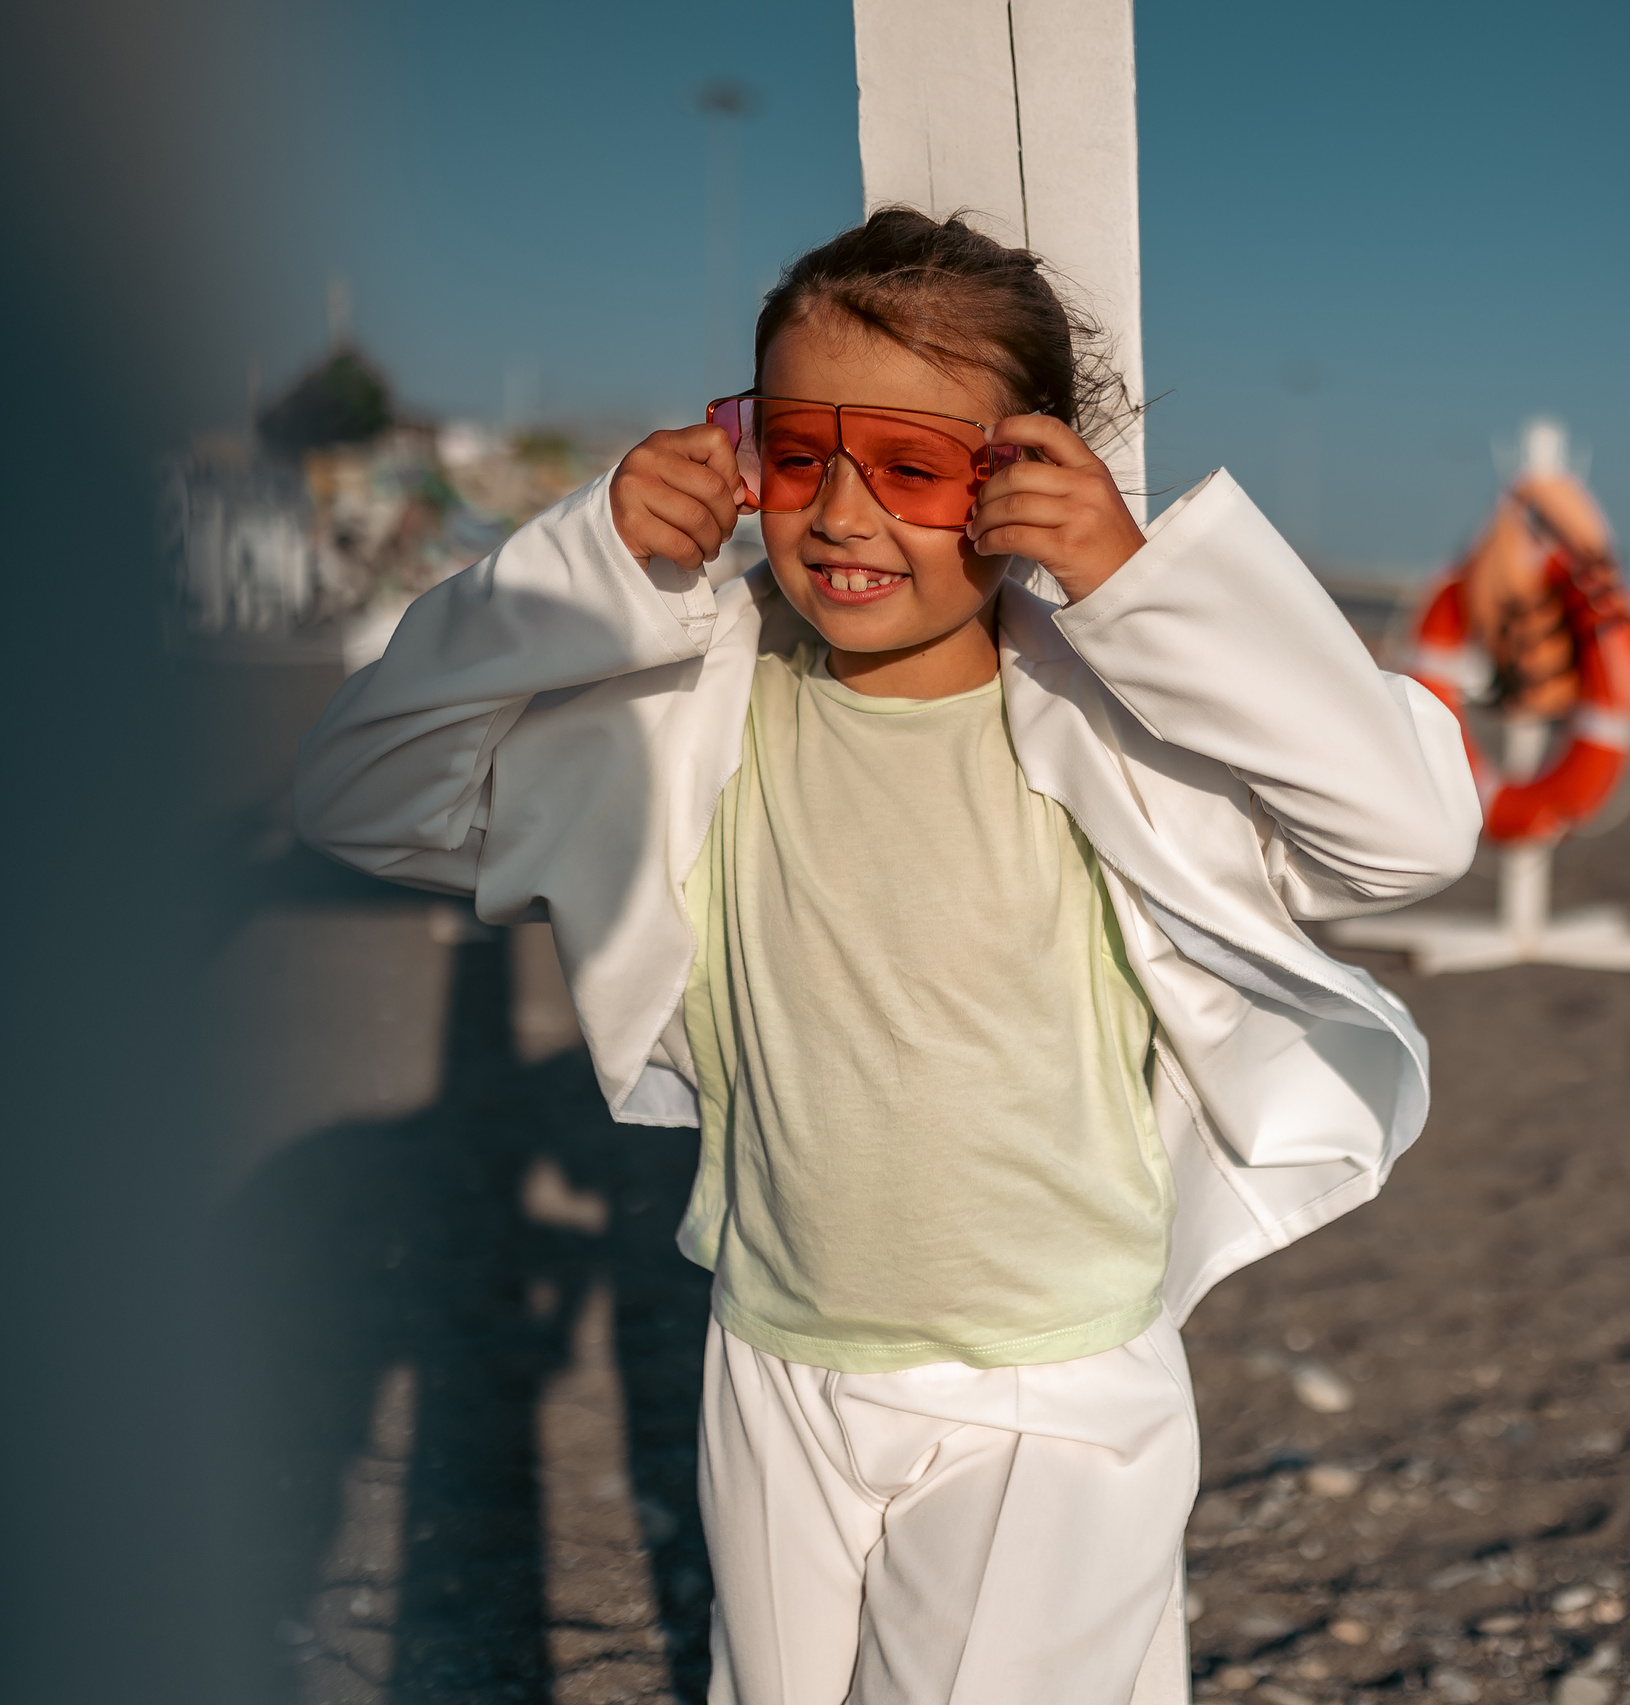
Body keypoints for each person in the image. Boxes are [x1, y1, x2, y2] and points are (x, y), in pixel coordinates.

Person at [295, 209, 1479, 1705]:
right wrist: (582, 565)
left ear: (1024, 480)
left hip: (1051, 1388)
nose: (845, 513)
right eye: (798, 454)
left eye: (914, 464)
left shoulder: (1123, 724)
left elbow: (1411, 829)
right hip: (776, 1354)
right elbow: (359, 794)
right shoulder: (684, 713)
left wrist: (1143, 585)